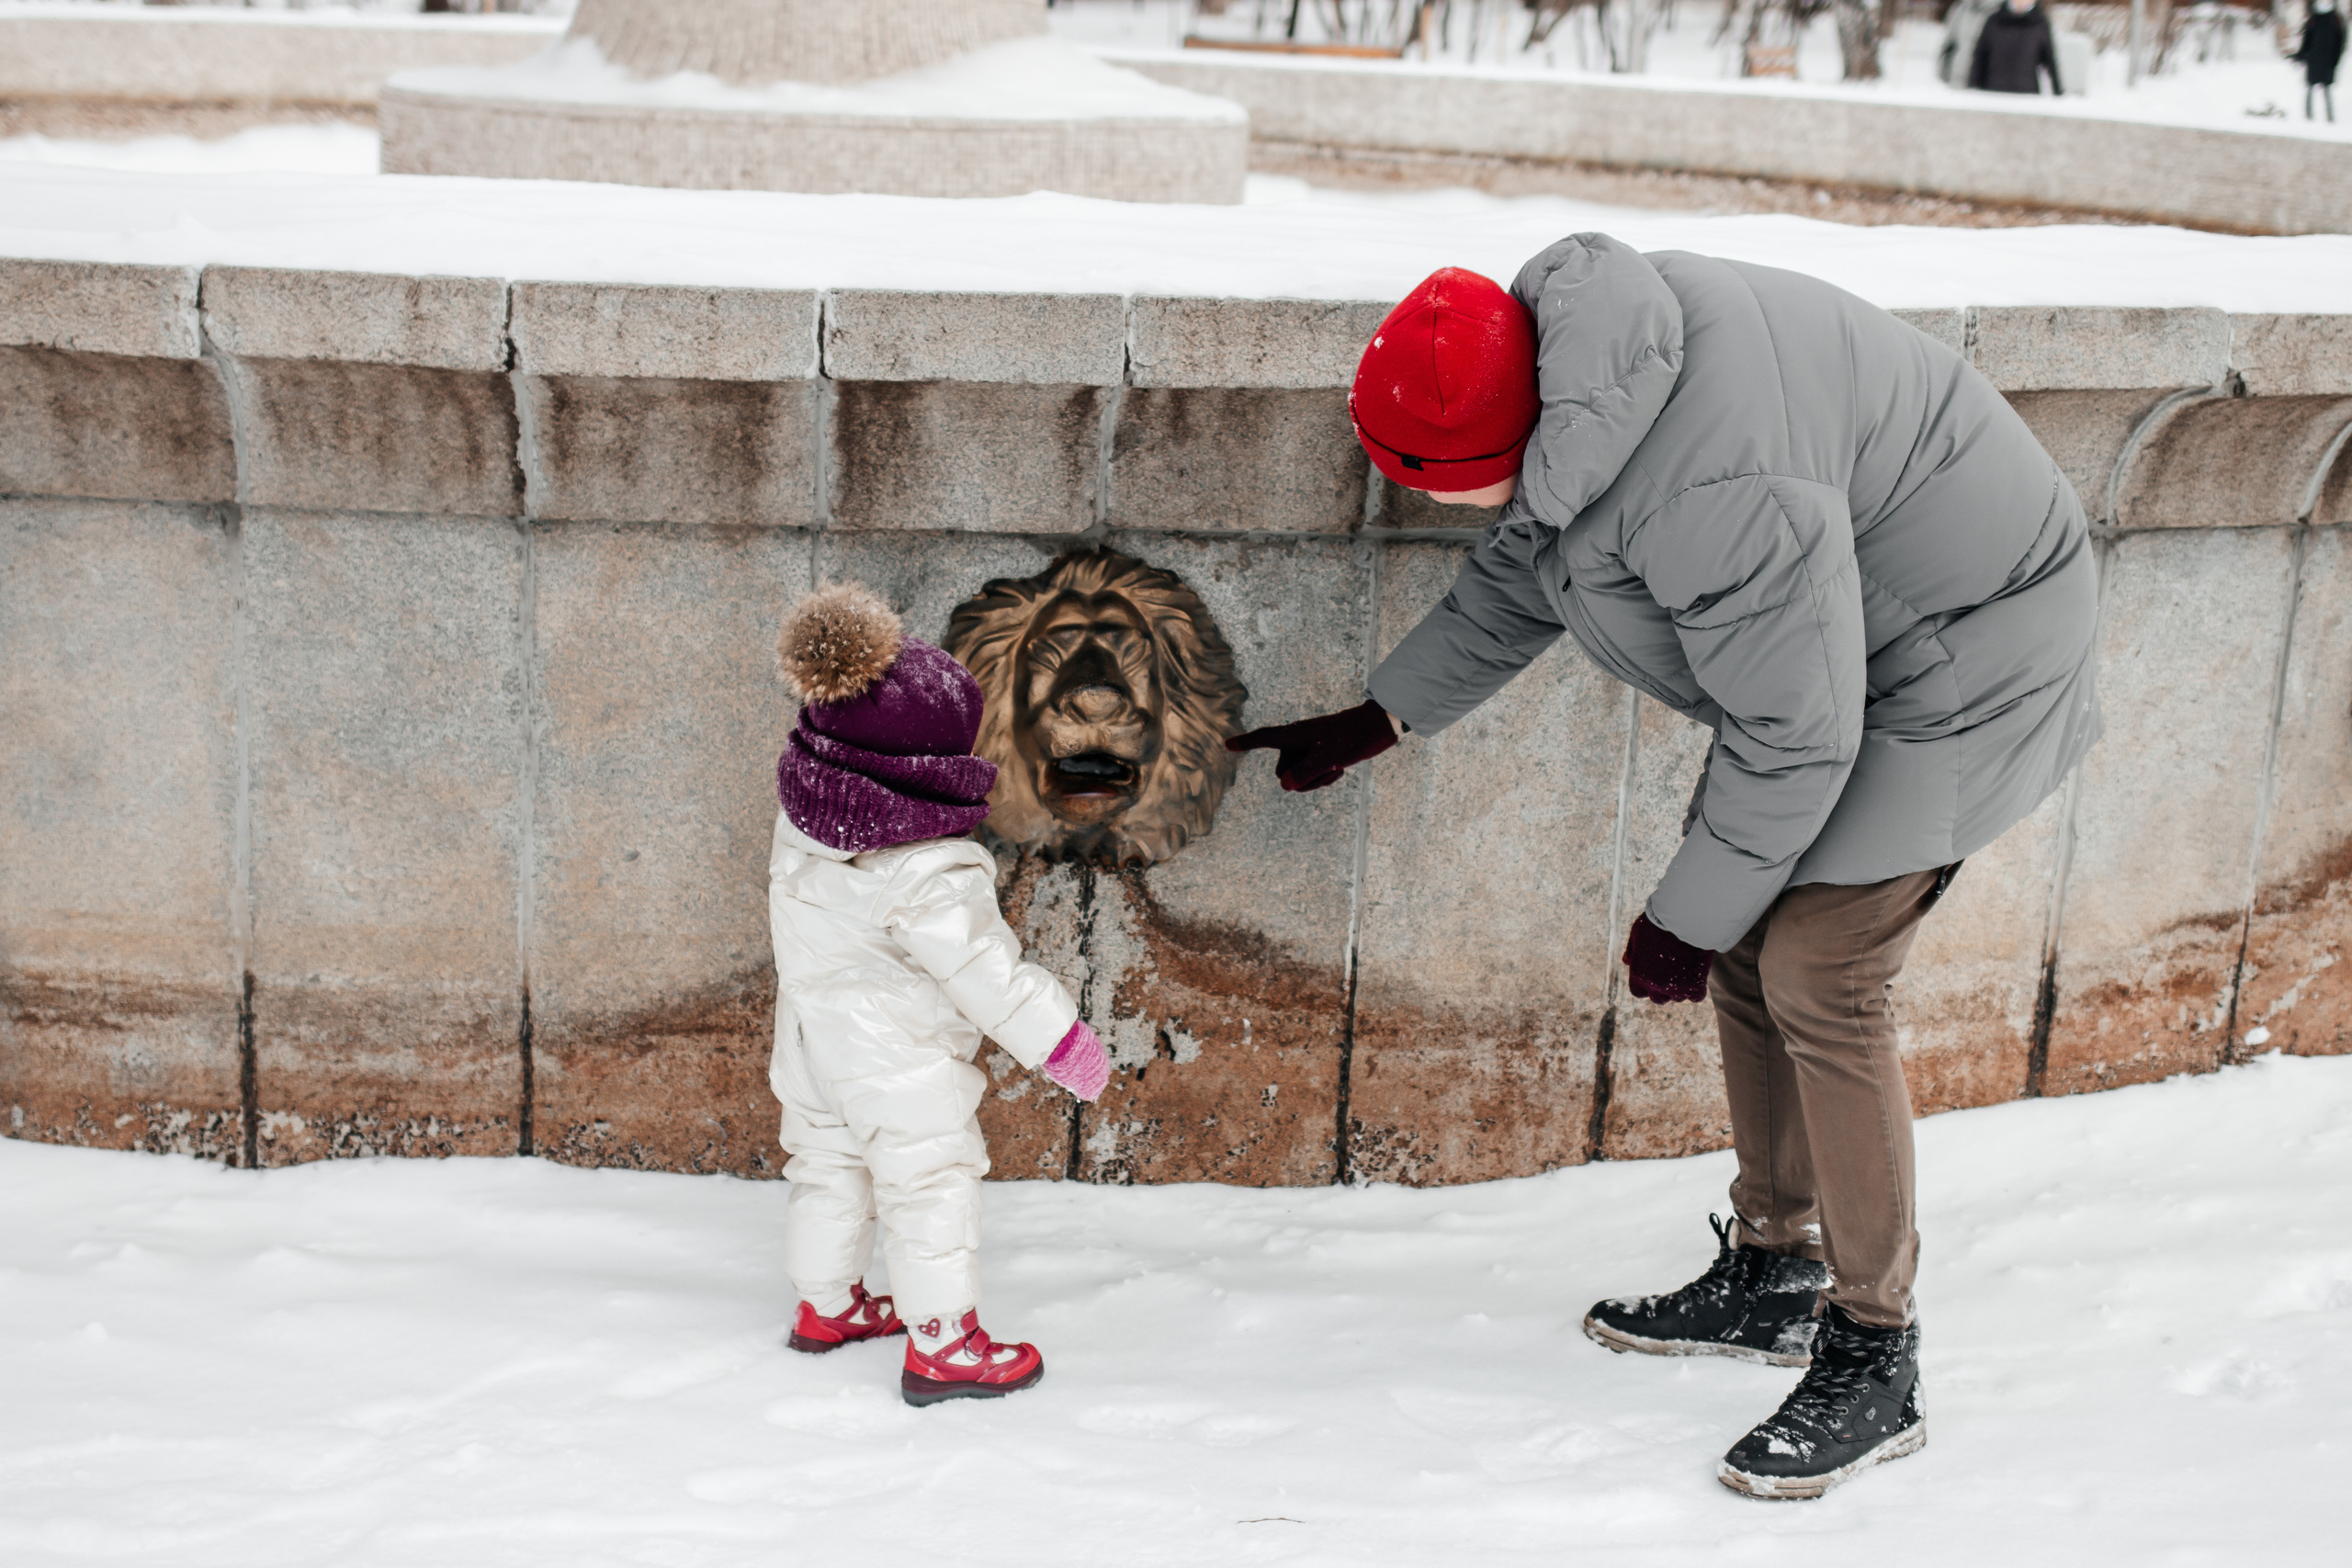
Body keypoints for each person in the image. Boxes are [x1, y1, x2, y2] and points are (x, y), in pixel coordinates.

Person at [1227, 240, 2100, 1497]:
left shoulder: (1708, 481)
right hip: (1858, 657)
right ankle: (1776, 1263)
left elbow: (1800, 728)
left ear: (1488, 449)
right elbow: (1523, 576)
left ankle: (1875, 1346)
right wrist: (1380, 716)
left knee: (1819, 970)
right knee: (1754, 941)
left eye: (1426, 485)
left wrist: (1679, 917)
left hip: (1971, 661)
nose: (1423, 506)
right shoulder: (1582, 375)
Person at [766, 582, 1110, 1406]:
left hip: (811, 1039)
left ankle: (827, 1306)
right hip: (898, 1058)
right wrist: (1065, 1043)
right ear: (929, 773)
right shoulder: (932, 873)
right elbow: (988, 975)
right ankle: (944, 1345)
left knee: (826, 1163)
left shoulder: (808, 821)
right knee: (929, 1180)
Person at [1968, 0, 2063, 94]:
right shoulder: (1993, 22)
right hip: (1993, 94)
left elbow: (2051, 63)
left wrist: (2059, 95)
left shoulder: (2040, 24)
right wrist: (1973, 92)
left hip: (2026, 97)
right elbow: (1979, 60)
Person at [2296, 0, 2346, 122]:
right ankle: (2309, 117)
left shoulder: (2335, 20)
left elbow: (2340, 42)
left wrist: (2335, 59)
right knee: (2312, 89)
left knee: (2324, 89)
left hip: (2326, 60)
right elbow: (2307, 40)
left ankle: (2328, 117)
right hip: (2316, 60)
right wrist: (2301, 55)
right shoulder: (2314, 20)